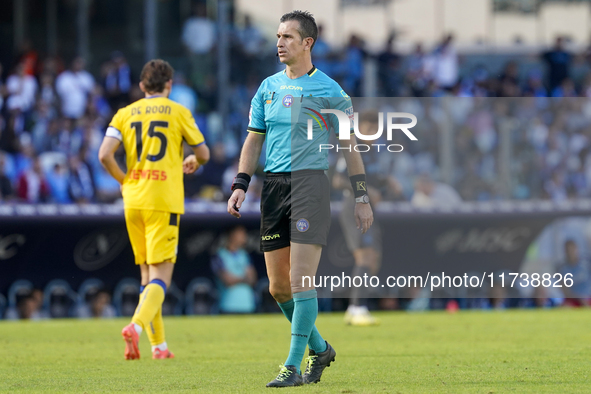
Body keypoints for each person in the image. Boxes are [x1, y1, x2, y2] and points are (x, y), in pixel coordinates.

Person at [227, 10, 373, 387]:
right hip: (273, 187)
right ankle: (322, 349)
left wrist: (361, 196)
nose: (279, 43)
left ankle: (292, 366)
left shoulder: (331, 92)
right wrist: (241, 183)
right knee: (278, 288)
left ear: (308, 43)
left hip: (311, 186)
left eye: (288, 37)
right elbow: (253, 139)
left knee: (301, 278)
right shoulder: (267, 88)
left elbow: (350, 148)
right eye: (278, 36)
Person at [98, 59, 210, 360]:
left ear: (142, 86)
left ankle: (158, 347)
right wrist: (194, 161)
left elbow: (104, 155)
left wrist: (124, 181)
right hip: (162, 199)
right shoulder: (178, 112)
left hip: (133, 199)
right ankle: (135, 326)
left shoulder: (125, 113)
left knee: (148, 277)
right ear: (169, 85)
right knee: (162, 277)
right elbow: (203, 152)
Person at [333, 112, 403, 326]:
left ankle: (353, 305)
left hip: (368, 209)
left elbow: (370, 177)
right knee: (366, 258)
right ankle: (356, 308)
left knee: (372, 261)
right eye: (368, 128)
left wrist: (386, 181)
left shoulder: (372, 153)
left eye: (375, 129)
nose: (371, 133)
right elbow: (337, 181)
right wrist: (366, 190)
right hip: (353, 207)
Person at [211, 226, 257, 313]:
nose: (245, 236)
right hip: (228, 305)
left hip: (248, 304)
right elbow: (228, 280)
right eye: (241, 233)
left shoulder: (245, 255)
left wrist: (237, 279)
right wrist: (244, 279)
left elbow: (252, 279)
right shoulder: (220, 255)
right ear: (232, 235)